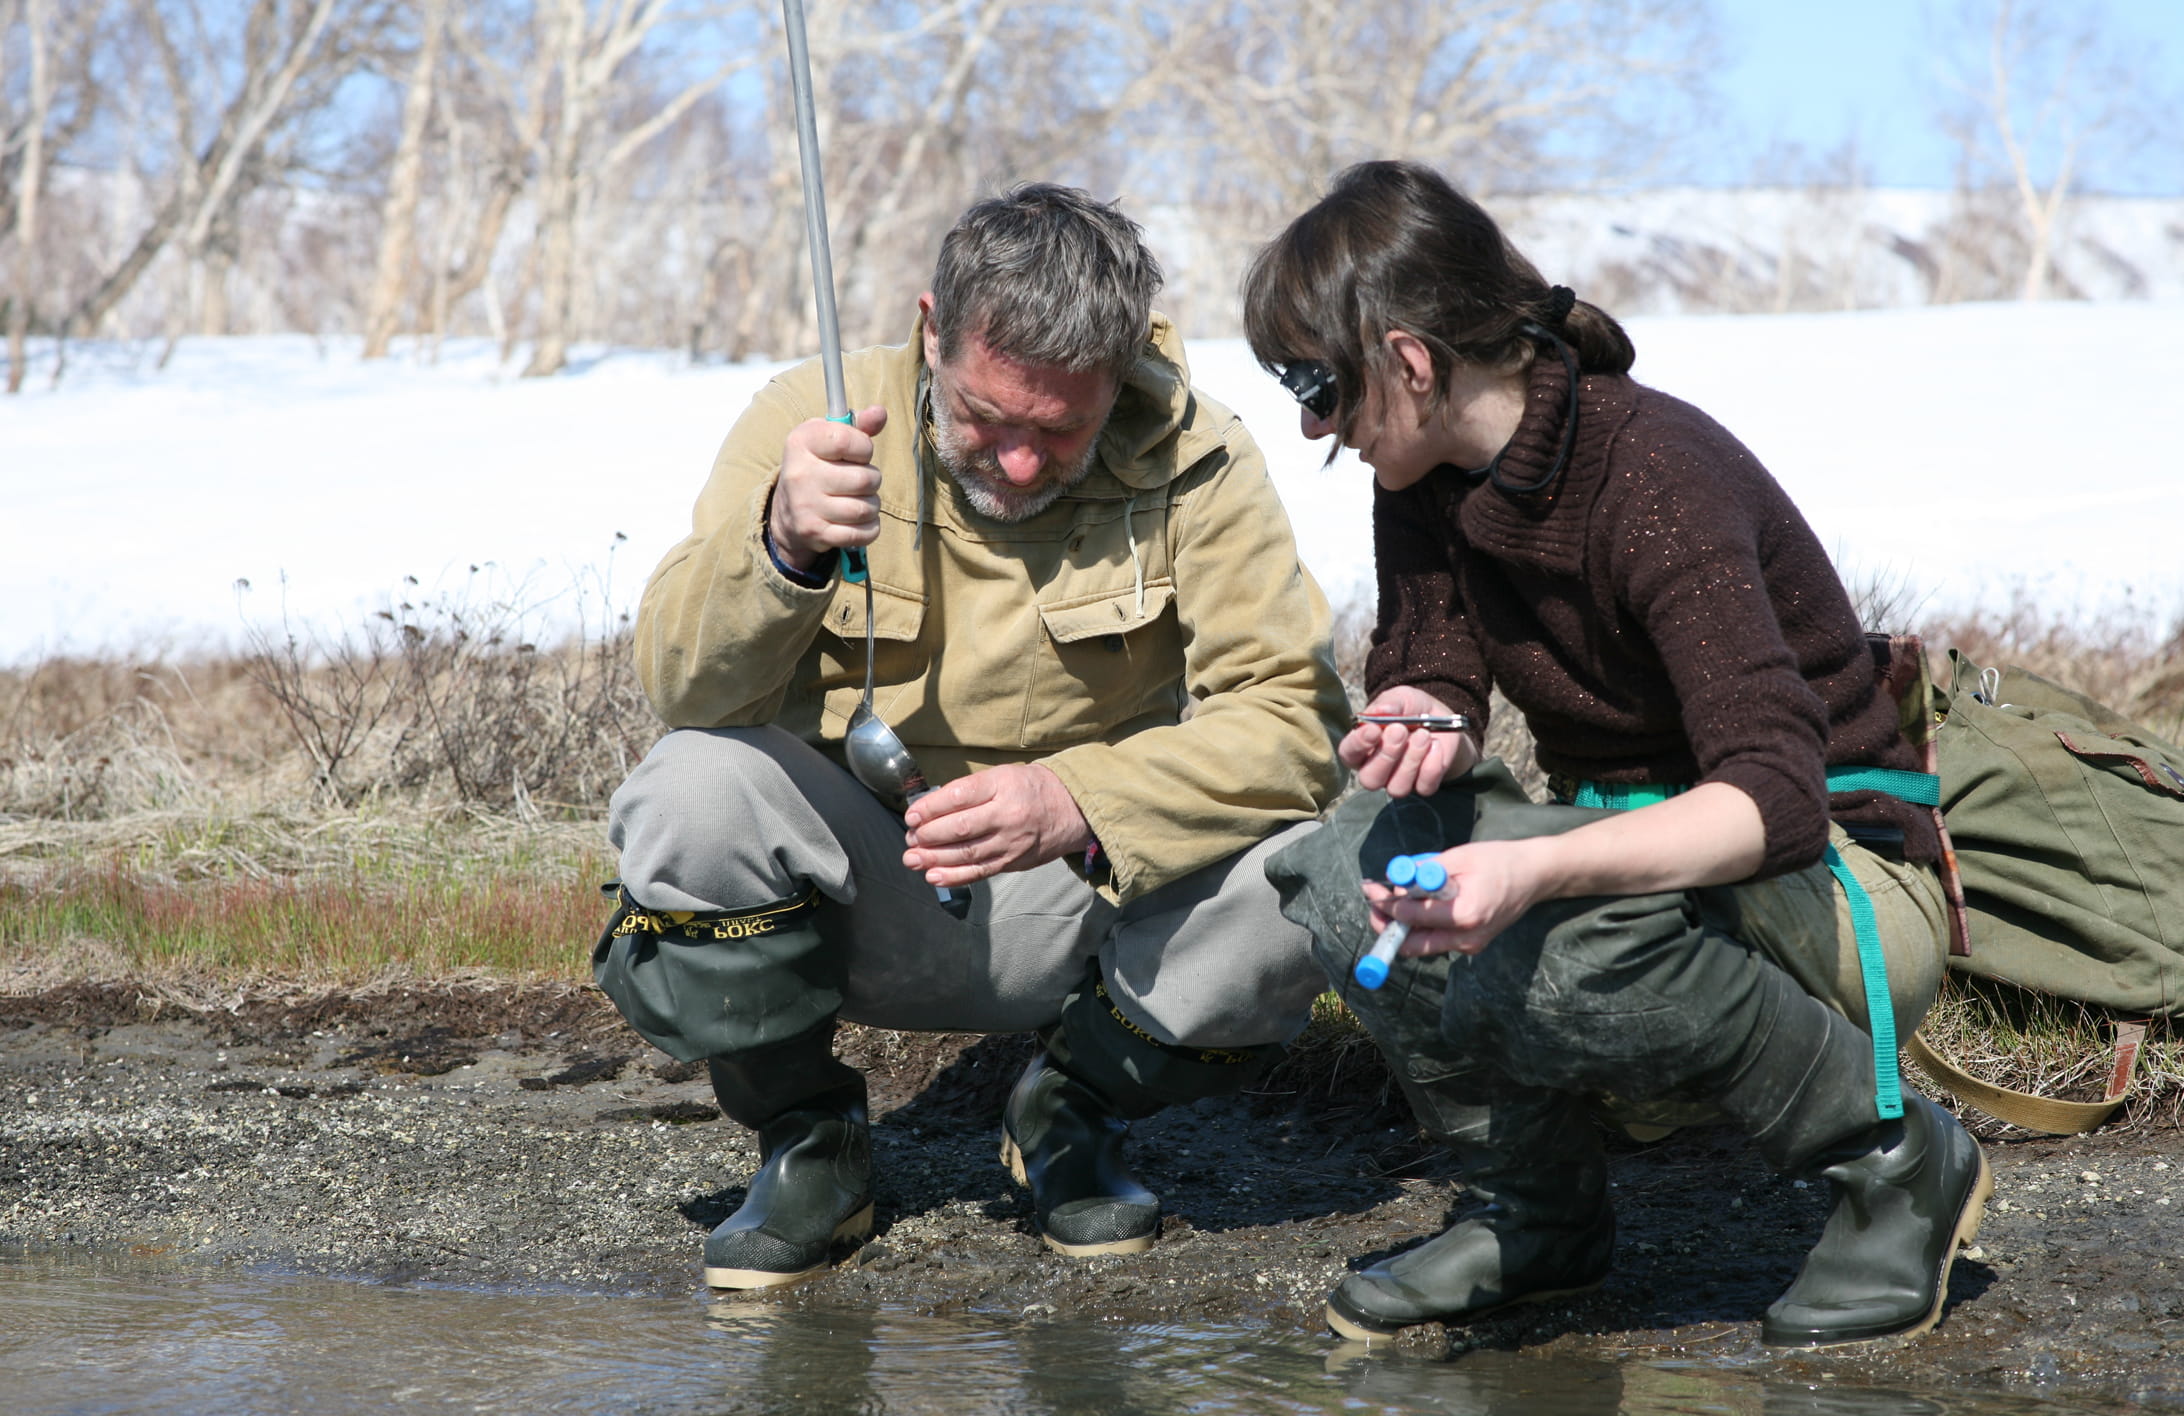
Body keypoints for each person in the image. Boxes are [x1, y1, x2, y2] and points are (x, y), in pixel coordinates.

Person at [1242, 161, 1990, 1348]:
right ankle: (1538, 1213)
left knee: (1566, 919)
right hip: (1657, 857)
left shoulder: (1656, 478)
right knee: (1345, 871)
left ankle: (1892, 1154)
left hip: (1840, 879)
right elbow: (1434, 656)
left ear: (1411, 360)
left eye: (1317, 384)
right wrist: (1421, 711)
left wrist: (1538, 870)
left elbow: (1776, 803)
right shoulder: (1427, 480)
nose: (1308, 422)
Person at [599, 182, 1349, 1290]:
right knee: (691, 789)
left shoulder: (1205, 456)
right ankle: (810, 1140)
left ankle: (1070, 1111)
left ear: (1123, 373)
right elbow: (679, 685)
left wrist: (1079, 799)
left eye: (1062, 430)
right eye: (987, 418)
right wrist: (783, 547)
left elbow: (1293, 723)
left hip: (1089, 898)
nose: (1020, 464)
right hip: (862, 892)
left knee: (1319, 868)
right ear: (931, 329)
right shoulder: (812, 418)